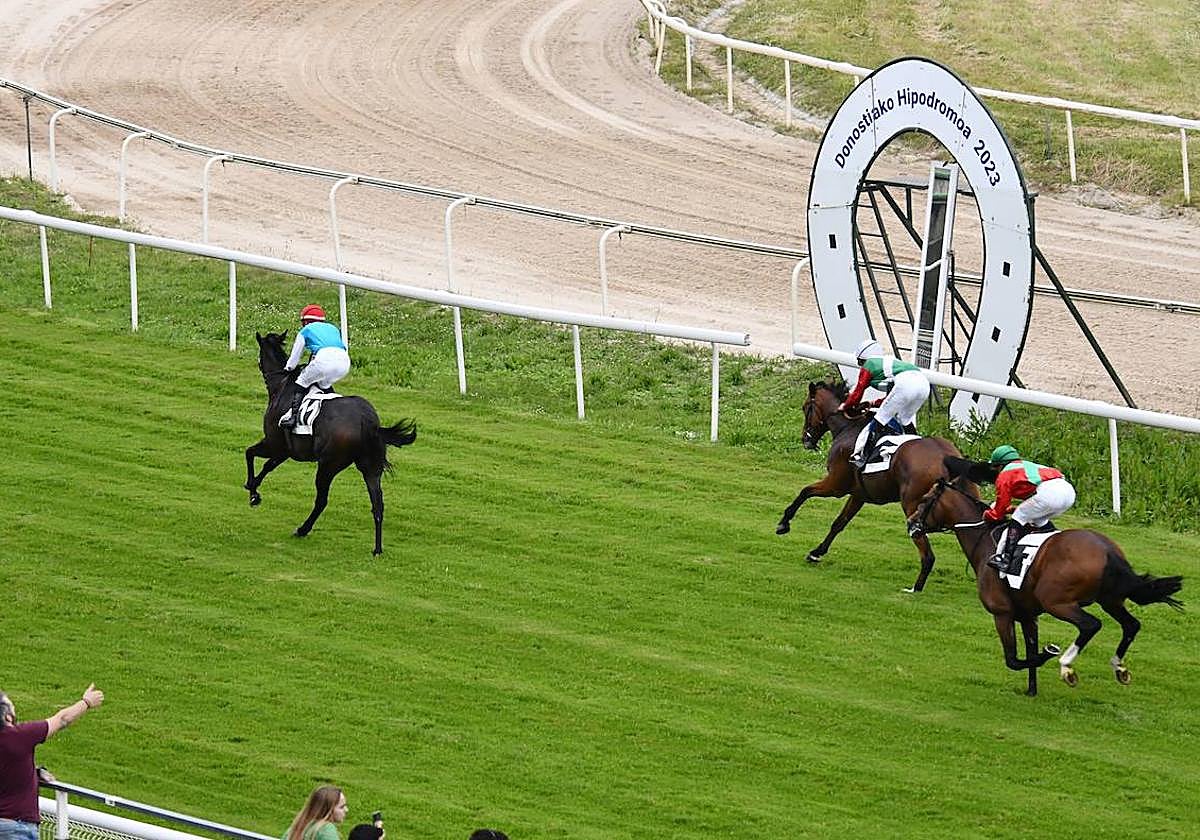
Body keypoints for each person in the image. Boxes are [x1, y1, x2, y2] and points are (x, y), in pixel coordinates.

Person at [1, 684, 105, 840]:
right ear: (6, 716)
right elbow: (63, 719)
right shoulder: (20, 735)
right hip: (17, 828)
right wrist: (86, 702)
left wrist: (32, 772)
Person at [983, 444, 1077, 575]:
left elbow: (1000, 507)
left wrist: (989, 515)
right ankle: (1054, 542)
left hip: (1050, 494)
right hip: (1069, 493)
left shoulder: (1004, 475)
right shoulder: (1027, 465)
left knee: (1019, 516)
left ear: (999, 465)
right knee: (1039, 520)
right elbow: (1032, 498)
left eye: (995, 467)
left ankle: (1005, 559)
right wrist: (1012, 508)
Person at [838, 338, 931, 468]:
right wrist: (873, 402)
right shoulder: (890, 362)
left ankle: (862, 457)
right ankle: (919, 450)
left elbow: (858, 392)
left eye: (860, 362)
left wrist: (845, 405)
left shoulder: (869, 364)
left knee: (880, 418)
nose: (861, 366)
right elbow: (893, 397)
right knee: (905, 420)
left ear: (864, 357)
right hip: (924, 385)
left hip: (906, 386)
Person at [280, 305, 350, 430]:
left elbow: (294, 358)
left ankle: (293, 418)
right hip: (344, 362)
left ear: (305, 321)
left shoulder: (305, 330)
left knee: (301, 382)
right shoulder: (333, 328)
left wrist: (288, 368)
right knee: (324, 385)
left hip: (324, 360)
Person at [283, 785, 348, 840]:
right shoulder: (326, 830)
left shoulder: (295, 828)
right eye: (341, 807)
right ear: (328, 810)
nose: (346, 810)